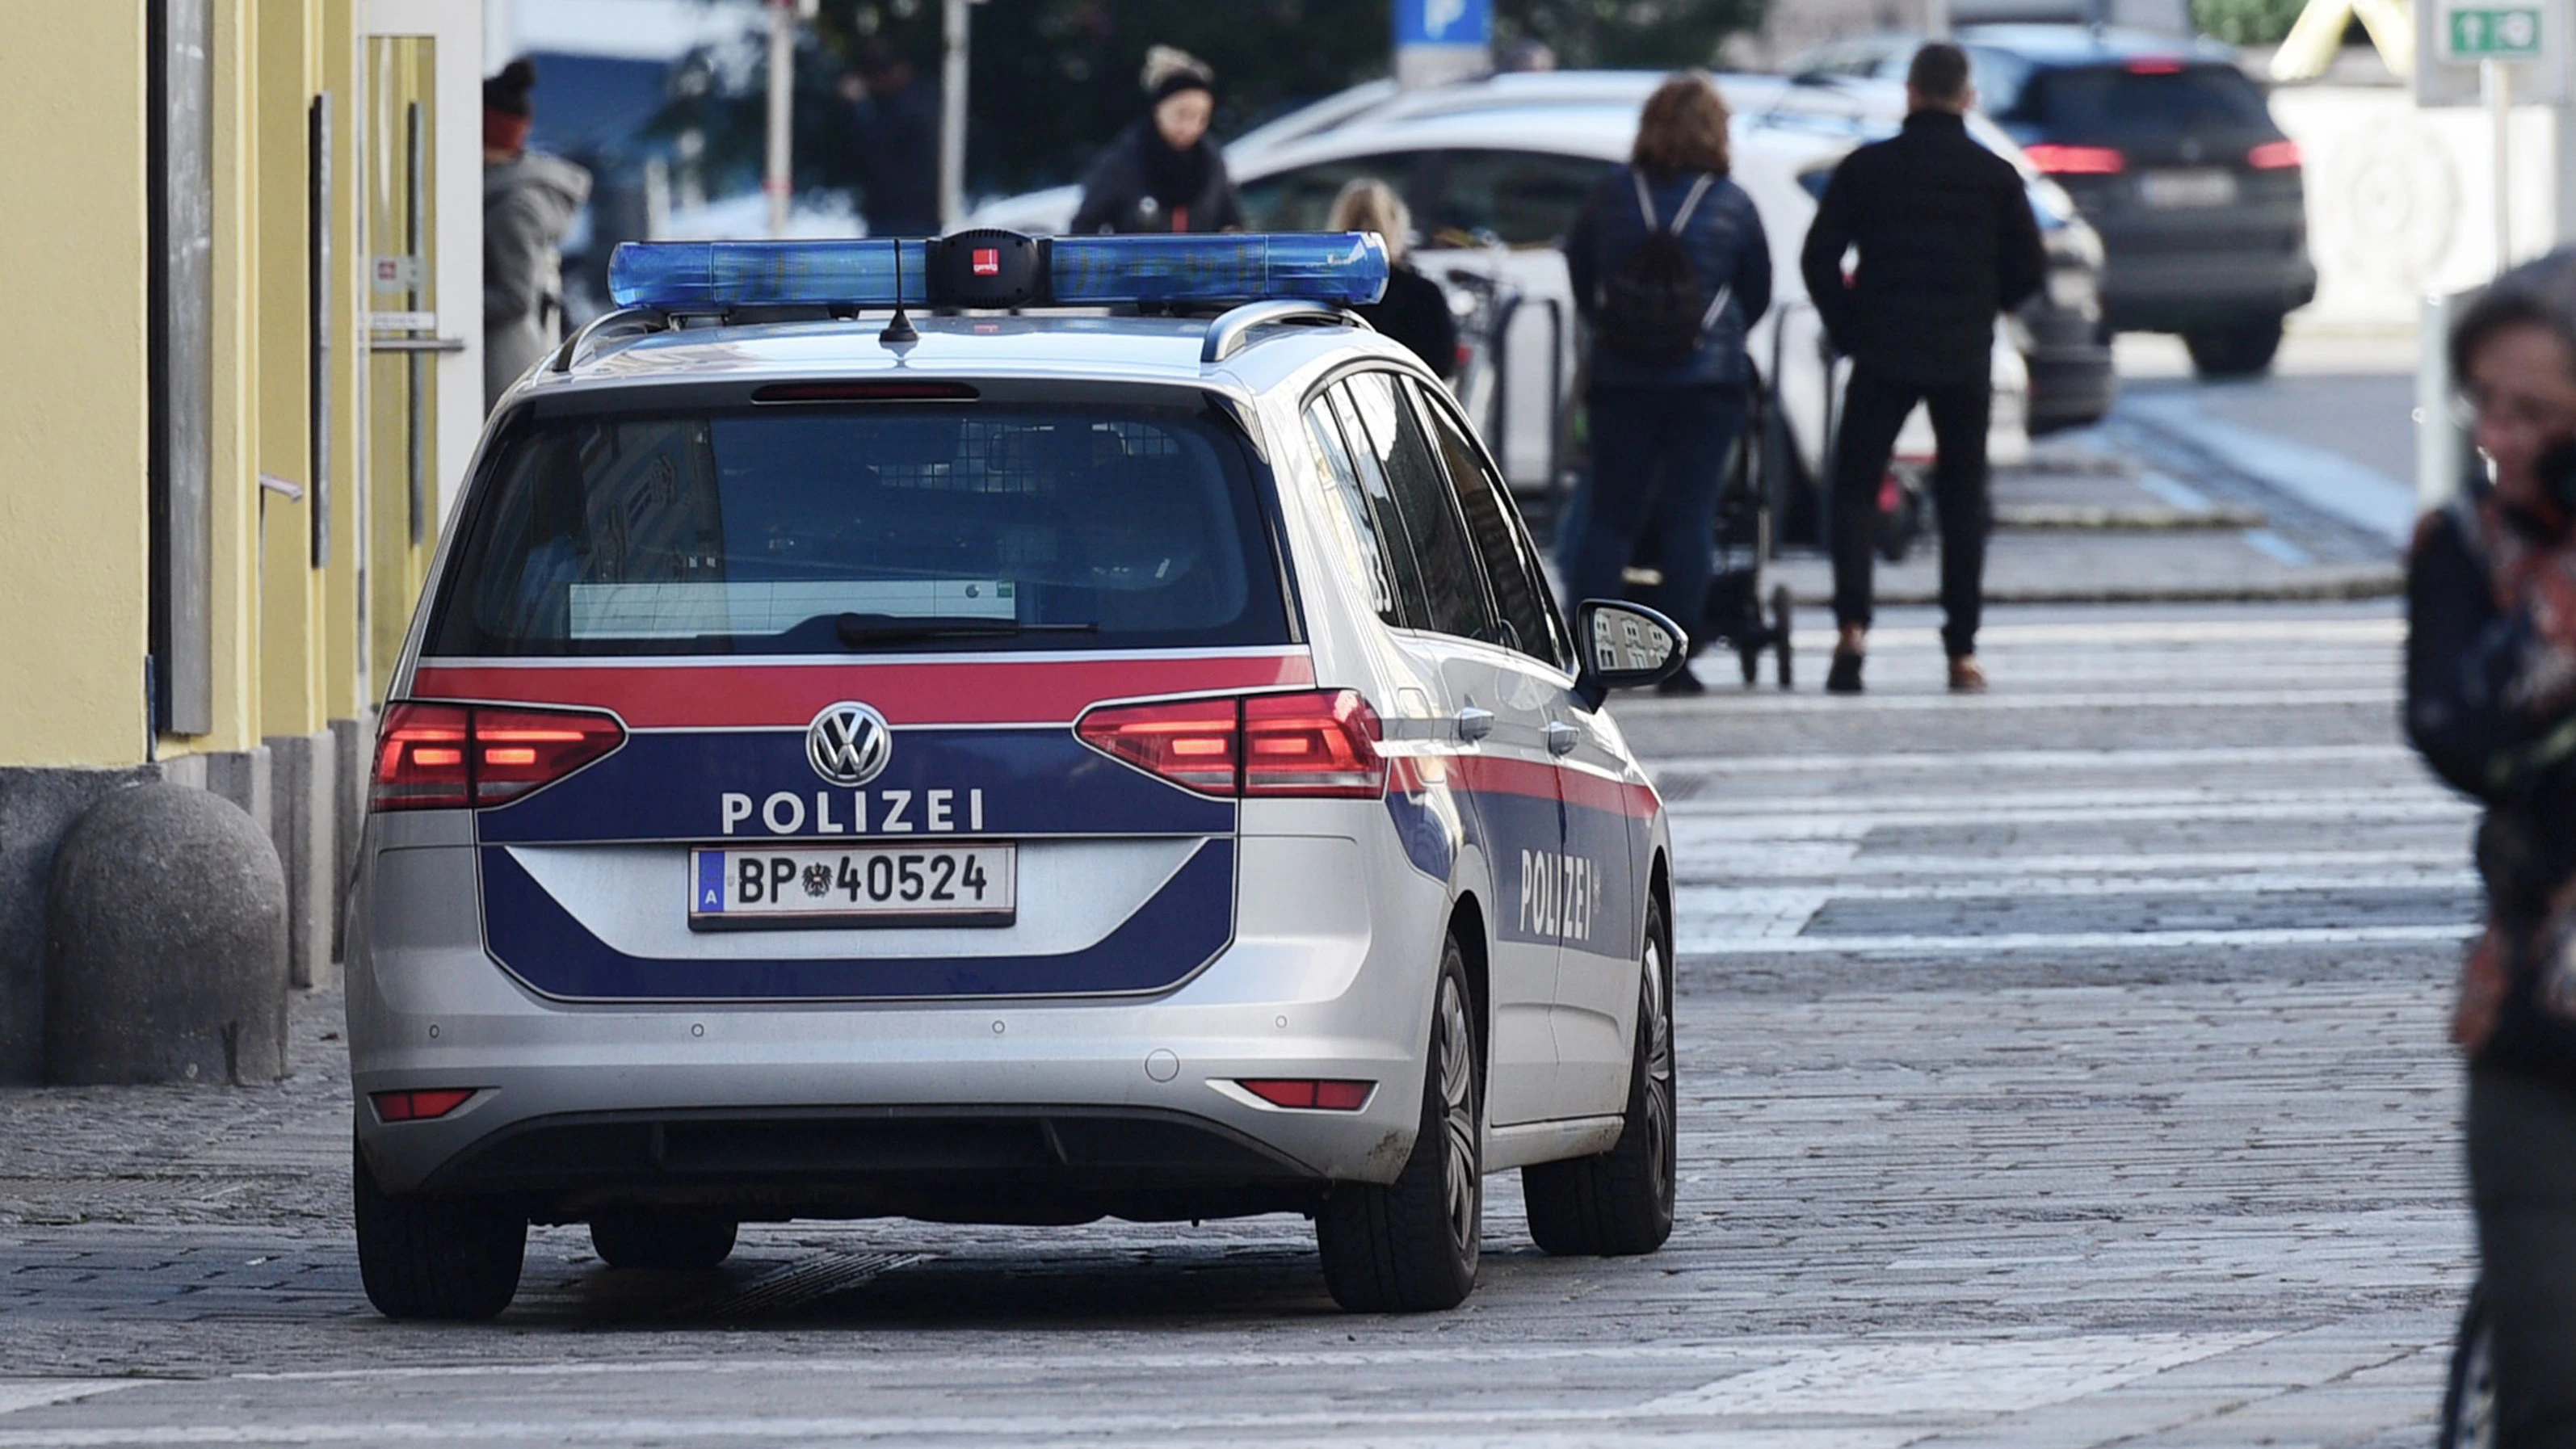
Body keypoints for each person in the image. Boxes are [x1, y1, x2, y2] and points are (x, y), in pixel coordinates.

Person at [2406, 247, 2576, 1448]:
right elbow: (2455, 731)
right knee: (2548, 1368)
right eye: (2487, 407)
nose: (2503, 439)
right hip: (2537, 1012)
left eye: (2537, 414)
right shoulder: (2465, 547)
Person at [1800, 42, 2044, 695]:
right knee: (1963, 498)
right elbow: (2029, 268)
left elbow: (1818, 257)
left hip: (1881, 348)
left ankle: (1852, 628)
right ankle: (1960, 649)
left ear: (1909, 93)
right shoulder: (1994, 176)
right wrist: (1985, 307)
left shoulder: (1867, 168)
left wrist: (1850, 325)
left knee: (1853, 488)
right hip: (1961, 353)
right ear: (1968, 98)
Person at [1561, 71, 1771, 695]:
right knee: (1690, 517)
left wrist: (1614, 330)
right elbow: (1754, 290)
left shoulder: (1611, 194)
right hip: (1706, 385)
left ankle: (1593, 654)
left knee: (1611, 516)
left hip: (1621, 379)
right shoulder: (1731, 203)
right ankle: (1676, 659)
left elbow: (1580, 271)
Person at [482, 59, 591, 410]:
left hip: (497, 368)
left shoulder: (514, 207)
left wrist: (448, 305)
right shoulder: (507, 194)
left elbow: (515, 297)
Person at [1069, 46, 1244, 236]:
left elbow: (1231, 221)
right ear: (1158, 109)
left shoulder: (1210, 159)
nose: (1189, 127)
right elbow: (1085, 226)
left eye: (1200, 117)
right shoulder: (1125, 159)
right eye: (1181, 114)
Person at [1328, 178, 1457, 380]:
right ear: (1397, 225)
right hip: (1397, 408)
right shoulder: (1423, 295)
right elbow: (1441, 367)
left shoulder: (1319, 295)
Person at [836, 40, 940, 238]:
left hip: (905, 214)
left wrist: (861, 107)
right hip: (904, 212)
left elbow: (877, 148)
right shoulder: (920, 97)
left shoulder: (909, 105)